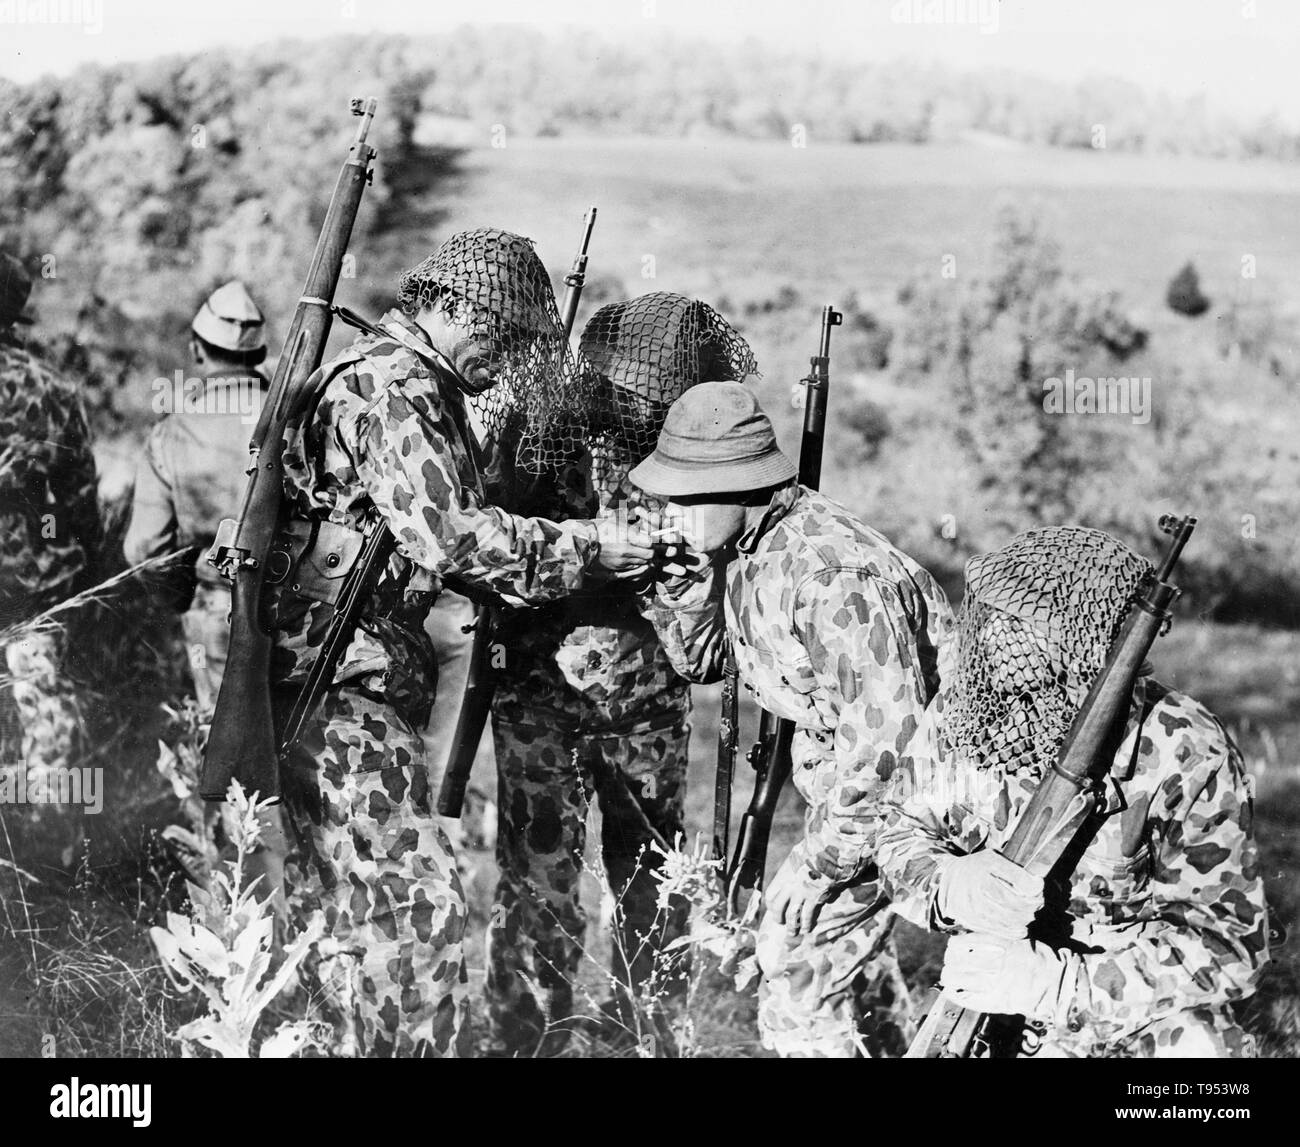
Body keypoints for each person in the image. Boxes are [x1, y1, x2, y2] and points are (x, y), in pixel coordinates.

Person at [265, 228, 661, 1057]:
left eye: (523, 342)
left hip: (331, 676)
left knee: (340, 914)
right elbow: (453, 537)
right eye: (499, 333)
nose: (507, 358)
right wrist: (593, 547)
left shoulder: (386, 375)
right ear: (443, 306)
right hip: (342, 685)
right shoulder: (397, 389)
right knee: (423, 909)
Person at [630, 380, 954, 1057]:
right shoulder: (748, 548)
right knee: (824, 972)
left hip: (921, 803)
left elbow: (891, 755)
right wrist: (683, 582)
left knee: (796, 984)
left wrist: (819, 863)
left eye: (685, 496)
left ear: (741, 484)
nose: (670, 512)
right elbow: (707, 660)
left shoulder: (832, 575)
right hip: (856, 797)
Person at [875, 526, 1270, 1058]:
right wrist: (948, 884)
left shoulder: (1185, 748)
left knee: (1198, 1054)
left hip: (1117, 1015)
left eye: (1022, 621)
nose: (994, 635)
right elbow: (897, 832)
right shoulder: (964, 710)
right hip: (987, 999)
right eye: (994, 614)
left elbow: (1230, 946)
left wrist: (1060, 986)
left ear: (1089, 637)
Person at [484, 293, 757, 1054]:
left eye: (652, 396)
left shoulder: (690, 470)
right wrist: (583, 549)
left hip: (645, 711)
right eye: (628, 389)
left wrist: (680, 563)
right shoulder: (534, 444)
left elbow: (702, 650)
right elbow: (485, 559)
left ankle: (650, 1036)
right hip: (539, 699)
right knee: (538, 882)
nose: (635, 407)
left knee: (650, 883)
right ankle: (527, 1039)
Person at [124, 281, 271, 713]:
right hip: (307, 611)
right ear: (258, 355)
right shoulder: (299, 416)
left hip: (217, 614)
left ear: (197, 350)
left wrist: (182, 598)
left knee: (223, 749)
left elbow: (144, 548)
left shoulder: (170, 432)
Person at [0, 251, 101, 868]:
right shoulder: (53, 390)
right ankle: (47, 858)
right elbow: (82, 504)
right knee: (47, 718)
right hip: (33, 586)